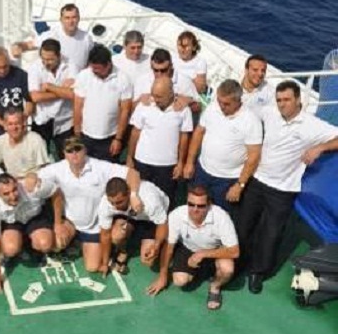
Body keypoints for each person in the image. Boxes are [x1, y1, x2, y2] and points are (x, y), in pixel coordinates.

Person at [236, 80, 338, 294]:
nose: (282, 104)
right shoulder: (270, 113)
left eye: (287, 100)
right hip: (257, 181)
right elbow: (244, 107)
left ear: (298, 100)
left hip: (283, 190)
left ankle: (258, 272)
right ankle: (238, 263)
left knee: (271, 234)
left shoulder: (312, 125)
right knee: (244, 225)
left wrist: (320, 147)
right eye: (279, 100)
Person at [38, 137, 142, 273]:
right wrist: (30, 179)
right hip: (71, 223)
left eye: (78, 149)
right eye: (69, 151)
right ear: (64, 153)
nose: (74, 153)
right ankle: (77, 240)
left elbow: (132, 173)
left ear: (85, 150)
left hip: (95, 226)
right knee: (57, 244)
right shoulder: (57, 169)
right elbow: (35, 177)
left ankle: (119, 248)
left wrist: (134, 195)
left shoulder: (100, 167)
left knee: (92, 267)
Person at [146, 185, 239, 311]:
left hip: (215, 249)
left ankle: (215, 287)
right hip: (188, 248)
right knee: (179, 281)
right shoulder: (177, 214)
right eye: (191, 204)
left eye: (201, 206)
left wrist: (202, 254)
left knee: (227, 269)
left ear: (209, 204)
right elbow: (168, 248)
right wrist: (162, 276)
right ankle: (204, 271)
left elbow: (234, 251)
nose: (195, 209)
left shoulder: (221, 217)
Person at [183, 79, 262, 212]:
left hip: (228, 180)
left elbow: (253, 157)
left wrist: (239, 185)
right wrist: (190, 162)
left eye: (226, 104)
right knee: (195, 208)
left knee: (221, 214)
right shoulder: (213, 108)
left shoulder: (251, 121)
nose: (221, 106)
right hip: (202, 171)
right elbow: (199, 133)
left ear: (238, 101)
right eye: (219, 101)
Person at [128, 76, 193, 206]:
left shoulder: (183, 110)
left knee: (165, 202)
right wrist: (130, 157)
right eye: (153, 95)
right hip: (143, 163)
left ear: (170, 93)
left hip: (167, 166)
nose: (155, 100)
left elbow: (184, 137)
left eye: (159, 96)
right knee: (141, 199)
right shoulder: (144, 105)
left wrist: (180, 163)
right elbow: (135, 133)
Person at [0, 173, 56, 294]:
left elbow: (56, 192)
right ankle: (19, 243)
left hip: (35, 218)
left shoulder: (32, 187)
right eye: (6, 194)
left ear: (18, 184)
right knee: (10, 249)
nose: (13, 196)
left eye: (14, 190)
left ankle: (32, 245)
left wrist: (59, 223)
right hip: (13, 223)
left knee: (45, 245)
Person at [97, 178, 169, 276]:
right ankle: (124, 250)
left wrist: (156, 246)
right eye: (112, 203)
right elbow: (105, 234)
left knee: (148, 261)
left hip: (152, 221)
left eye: (119, 202)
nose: (115, 206)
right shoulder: (106, 203)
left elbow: (162, 224)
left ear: (129, 193)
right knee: (116, 235)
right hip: (130, 216)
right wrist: (105, 263)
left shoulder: (150, 201)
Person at [73, 44, 132, 161]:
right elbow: (78, 106)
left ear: (108, 64)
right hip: (86, 136)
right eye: (92, 68)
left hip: (109, 138)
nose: (94, 71)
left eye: (97, 69)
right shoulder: (84, 76)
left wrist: (118, 139)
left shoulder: (123, 79)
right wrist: (77, 132)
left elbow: (125, 110)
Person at [28, 38, 77, 159]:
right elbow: (35, 97)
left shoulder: (71, 65)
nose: (46, 63)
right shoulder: (35, 67)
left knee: (67, 158)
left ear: (59, 56)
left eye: (50, 59)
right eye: (43, 59)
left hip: (65, 121)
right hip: (42, 120)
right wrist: (61, 90)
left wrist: (49, 87)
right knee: (40, 159)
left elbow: (73, 95)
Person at [0, 47, 33, 154]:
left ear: (9, 62)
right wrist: (1, 122)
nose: (2, 71)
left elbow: (30, 100)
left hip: (16, 126)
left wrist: (24, 117)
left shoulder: (20, 75)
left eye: (5, 66)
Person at [11, 4, 93, 71]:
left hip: (78, 83)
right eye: (67, 18)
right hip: (56, 83)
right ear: (61, 20)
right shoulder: (51, 35)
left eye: (74, 17)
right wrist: (18, 46)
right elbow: (28, 45)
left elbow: (91, 61)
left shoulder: (87, 38)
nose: (71, 21)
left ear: (78, 18)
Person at [133, 49, 199, 113]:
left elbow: (198, 108)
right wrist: (139, 101)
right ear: (151, 66)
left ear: (171, 66)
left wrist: (190, 103)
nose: (159, 74)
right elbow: (130, 109)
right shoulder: (142, 80)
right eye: (156, 70)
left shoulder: (185, 81)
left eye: (163, 70)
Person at [0, 108, 49, 178]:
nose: (14, 127)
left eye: (17, 123)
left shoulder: (35, 139)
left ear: (23, 124)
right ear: (5, 126)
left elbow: (44, 167)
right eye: (10, 124)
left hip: (33, 179)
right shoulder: (0, 141)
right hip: (11, 181)